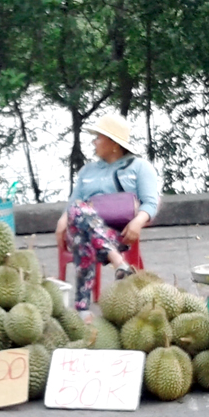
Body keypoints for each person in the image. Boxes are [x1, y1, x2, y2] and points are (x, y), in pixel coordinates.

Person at [54, 113, 160, 321]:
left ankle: (82, 307)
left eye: (98, 138)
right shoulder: (88, 171)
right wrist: (61, 224)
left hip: (118, 232)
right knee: (79, 213)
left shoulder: (139, 167)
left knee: (81, 234)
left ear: (113, 143)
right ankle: (117, 261)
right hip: (84, 225)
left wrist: (139, 221)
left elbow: (151, 202)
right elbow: (72, 204)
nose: (94, 142)